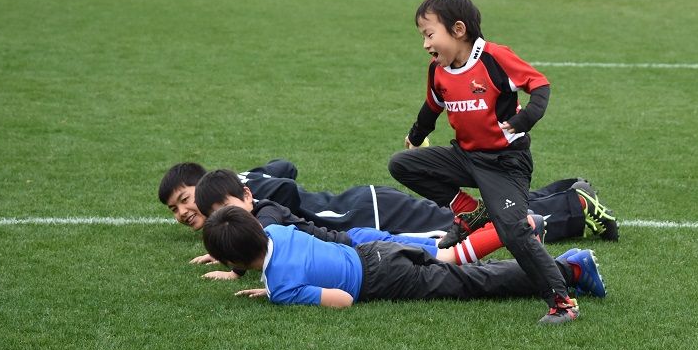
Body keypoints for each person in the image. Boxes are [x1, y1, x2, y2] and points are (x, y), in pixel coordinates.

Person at [388, 0, 580, 324]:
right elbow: (432, 107)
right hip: (465, 157)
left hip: (506, 164)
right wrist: (416, 136)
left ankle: (563, 304)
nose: (425, 44)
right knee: (402, 165)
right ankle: (469, 211)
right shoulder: (437, 70)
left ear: (458, 30)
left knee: (513, 231)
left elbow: (540, 85)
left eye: (429, 34)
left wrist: (524, 119)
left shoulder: (494, 57)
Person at [201, 206, 606, 310]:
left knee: (470, 282)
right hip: (376, 250)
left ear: (233, 259)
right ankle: (559, 264)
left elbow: (342, 300)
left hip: (382, 280)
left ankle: (568, 270)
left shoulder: (283, 286)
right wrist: (272, 287)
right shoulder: (275, 231)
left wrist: (279, 296)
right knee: (461, 266)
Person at [157, 159, 618, 241]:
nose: (183, 212)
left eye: (185, 200)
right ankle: (566, 189)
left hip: (377, 215)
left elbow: (285, 189)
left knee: (471, 227)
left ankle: (575, 212)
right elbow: (285, 166)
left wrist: (237, 229)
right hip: (370, 205)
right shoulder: (243, 182)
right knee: (468, 216)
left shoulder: (251, 198)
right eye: (175, 209)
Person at [193, 168, 544, 274]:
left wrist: (231, 251)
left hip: (360, 245)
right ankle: (515, 229)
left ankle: (517, 227)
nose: (228, 217)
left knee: (444, 255)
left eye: (228, 208)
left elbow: (262, 239)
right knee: (441, 253)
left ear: (247, 196)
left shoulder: (267, 214)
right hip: (357, 244)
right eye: (218, 216)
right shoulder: (257, 218)